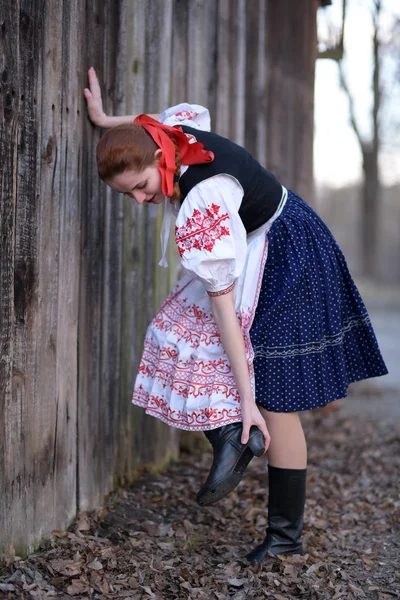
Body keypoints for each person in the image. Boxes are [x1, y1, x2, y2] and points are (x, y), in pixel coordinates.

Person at [84, 67, 388, 564]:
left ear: (159, 157)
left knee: (272, 396)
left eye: (140, 185)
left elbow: (224, 311)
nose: (141, 200)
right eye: (129, 196)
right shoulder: (171, 133)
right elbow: (145, 122)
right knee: (173, 332)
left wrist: (245, 401)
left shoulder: (204, 197)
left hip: (290, 254)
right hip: (255, 245)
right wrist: (104, 120)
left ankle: (284, 534)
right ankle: (231, 437)